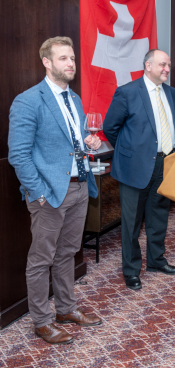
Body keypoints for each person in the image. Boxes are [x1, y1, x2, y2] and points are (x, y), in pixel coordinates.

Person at [8, 36, 102, 345]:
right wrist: (37, 193)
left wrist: (92, 142)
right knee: (41, 260)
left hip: (78, 188)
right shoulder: (28, 100)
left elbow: (76, 140)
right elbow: (18, 155)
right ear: (47, 62)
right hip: (48, 195)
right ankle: (42, 321)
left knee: (67, 255)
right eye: (63, 58)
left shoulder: (74, 100)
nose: (71, 63)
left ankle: (65, 309)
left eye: (72, 58)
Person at [103, 49, 175, 290]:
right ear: (148, 65)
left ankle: (157, 261)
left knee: (158, 216)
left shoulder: (171, 92)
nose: (167, 69)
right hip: (134, 168)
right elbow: (109, 127)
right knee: (131, 223)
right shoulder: (127, 92)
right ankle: (131, 270)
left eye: (168, 65)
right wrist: (130, 153)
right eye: (162, 64)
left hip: (164, 164)